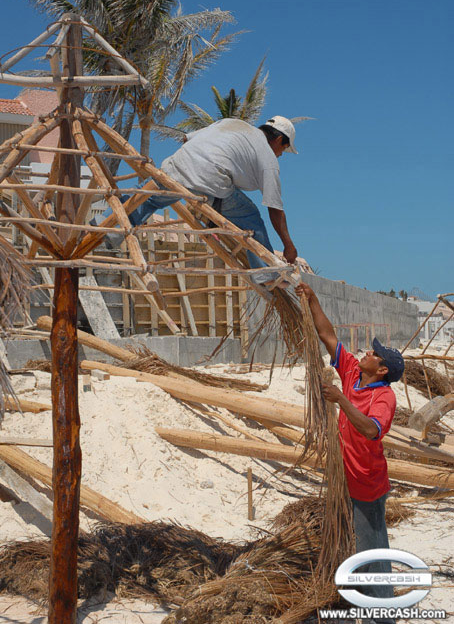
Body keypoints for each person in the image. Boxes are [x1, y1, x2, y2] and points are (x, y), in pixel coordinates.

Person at [295, 281, 405, 624]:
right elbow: (328, 335)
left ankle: (382, 615)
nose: (367, 353)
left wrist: (341, 400)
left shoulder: (384, 397)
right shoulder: (353, 373)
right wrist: (312, 300)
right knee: (359, 548)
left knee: (372, 552)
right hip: (346, 478)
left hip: (368, 485)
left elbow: (372, 430)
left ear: (382, 370)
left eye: (374, 354)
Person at [98, 116, 299, 285]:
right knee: (251, 219)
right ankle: (266, 274)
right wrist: (288, 245)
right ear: (279, 139)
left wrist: (191, 173)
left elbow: (187, 138)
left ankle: (105, 224)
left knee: (147, 198)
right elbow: (275, 208)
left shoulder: (232, 123)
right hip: (209, 181)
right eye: (284, 149)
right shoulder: (269, 159)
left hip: (178, 164)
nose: (281, 155)